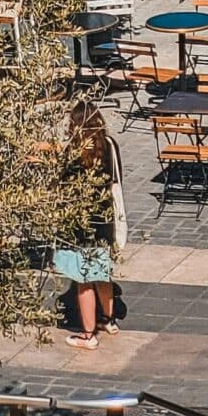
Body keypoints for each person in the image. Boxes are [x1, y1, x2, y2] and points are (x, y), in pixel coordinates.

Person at [53, 101, 125, 348]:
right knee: (102, 273)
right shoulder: (110, 145)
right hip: (105, 221)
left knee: (83, 280)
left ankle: (87, 334)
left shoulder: (73, 152)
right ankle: (108, 319)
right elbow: (118, 179)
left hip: (82, 224)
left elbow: (62, 187)